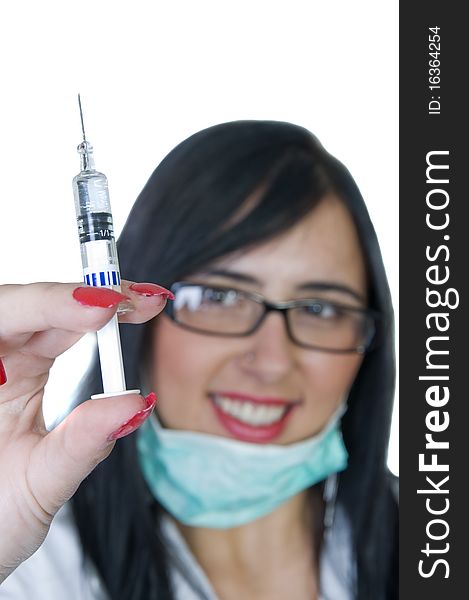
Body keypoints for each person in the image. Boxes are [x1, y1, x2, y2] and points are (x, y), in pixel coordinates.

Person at [0, 120, 398, 599]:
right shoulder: (26, 562)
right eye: (219, 297)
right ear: (137, 310)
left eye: (319, 309)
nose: (271, 361)